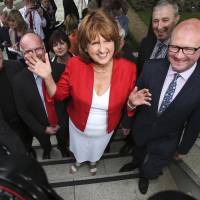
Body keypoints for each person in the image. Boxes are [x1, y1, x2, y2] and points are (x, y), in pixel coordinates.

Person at [25, 9, 150, 175]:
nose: (103, 49)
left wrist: (131, 103)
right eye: (94, 43)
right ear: (85, 45)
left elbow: (127, 107)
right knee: (79, 148)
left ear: (116, 42)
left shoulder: (129, 69)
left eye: (107, 41)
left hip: (105, 130)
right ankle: (78, 160)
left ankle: (93, 162)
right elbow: (59, 95)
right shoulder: (75, 65)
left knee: (96, 150)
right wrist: (47, 77)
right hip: (78, 126)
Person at [120, 18, 200, 194]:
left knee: (150, 168)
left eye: (189, 49)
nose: (179, 55)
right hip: (140, 130)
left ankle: (145, 176)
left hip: (166, 141)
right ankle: (135, 163)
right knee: (138, 153)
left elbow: (195, 124)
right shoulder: (150, 67)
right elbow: (134, 98)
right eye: (175, 46)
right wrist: (127, 120)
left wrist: (183, 148)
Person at [13, 33, 70, 159]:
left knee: (63, 139)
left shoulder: (61, 70)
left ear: (44, 47)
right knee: (45, 143)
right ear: (22, 54)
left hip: (62, 121)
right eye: (28, 51)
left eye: (38, 48)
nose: (35, 54)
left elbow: (69, 101)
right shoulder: (18, 80)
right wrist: (42, 129)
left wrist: (64, 121)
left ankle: (62, 147)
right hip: (39, 126)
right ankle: (47, 150)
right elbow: (23, 111)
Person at [137, 0, 180, 75]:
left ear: (176, 19)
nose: (159, 27)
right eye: (155, 21)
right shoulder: (145, 43)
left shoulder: (182, 51)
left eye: (165, 20)